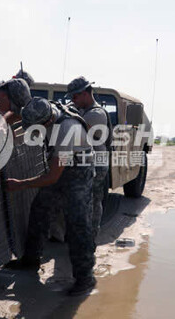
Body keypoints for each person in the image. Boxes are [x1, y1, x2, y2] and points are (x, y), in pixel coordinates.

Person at [5, 97, 96, 296]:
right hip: (64, 165)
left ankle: (85, 278)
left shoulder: (66, 130)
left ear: (46, 122)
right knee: (40, 208)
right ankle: (31, 260)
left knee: (77, 225)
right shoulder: (45, 109)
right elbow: (21, 114)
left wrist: (21, 184)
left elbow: (53, 176)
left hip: (78, 173)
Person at [66, 76, 113, 238]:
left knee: (91, 201)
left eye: (75, 97)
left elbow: (73, 130)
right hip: (86, 162)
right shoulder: (83, 110)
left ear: (85, 94)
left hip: (96, 164)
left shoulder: (96, 114)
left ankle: (89, 237)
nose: (73, 100)